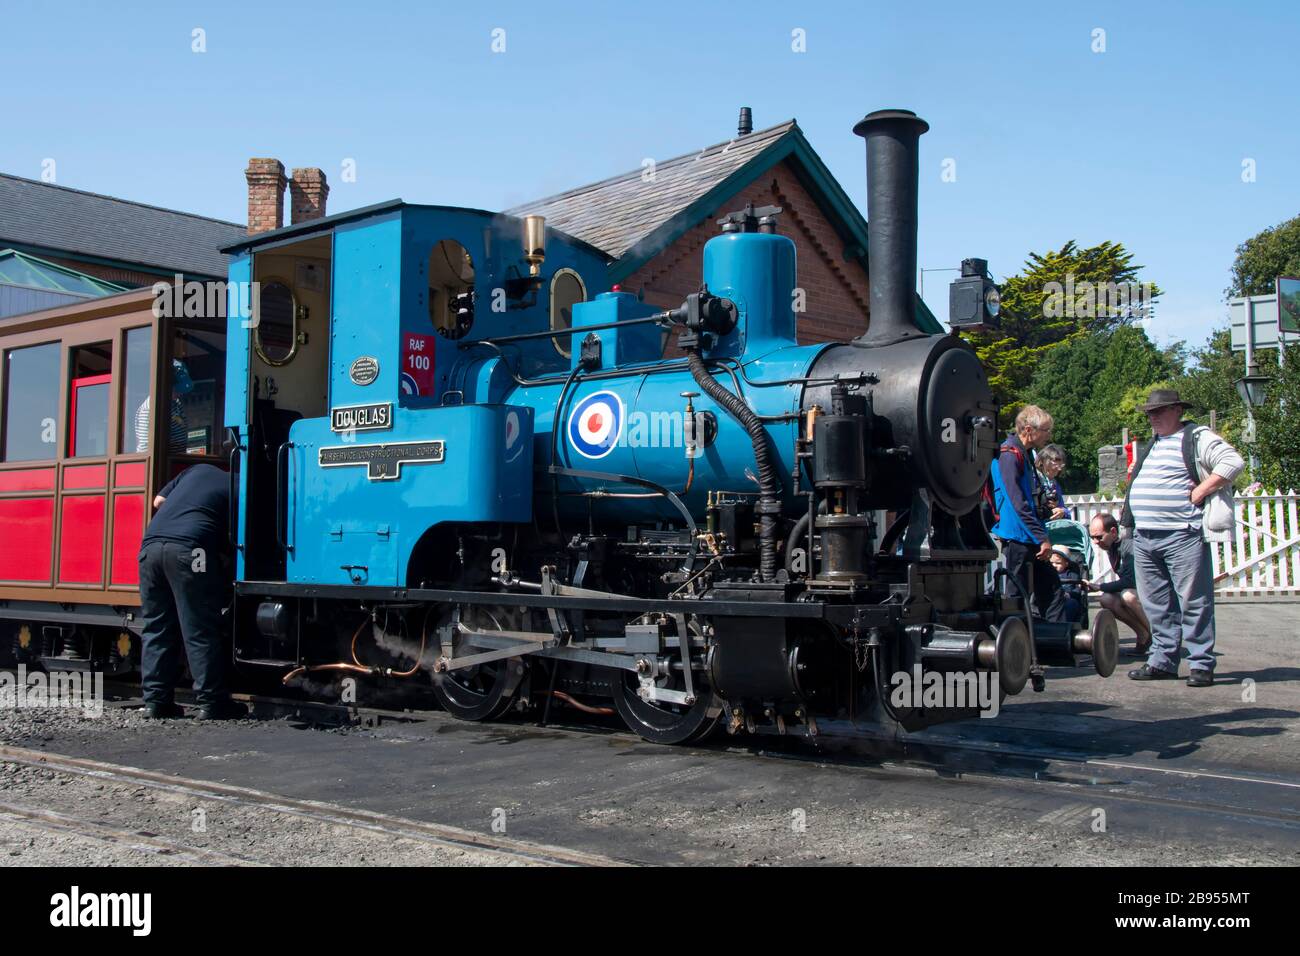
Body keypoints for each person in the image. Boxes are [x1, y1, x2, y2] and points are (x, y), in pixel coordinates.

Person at [1122, 389, 1244, 687]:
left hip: (1182, 534)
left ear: (1177, 410)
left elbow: (1233, 462)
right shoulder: (1153, 444)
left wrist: (1201, 490)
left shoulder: (1196, 437)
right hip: (1146, 536)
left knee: (1194, 601)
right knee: (1156, 604)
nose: (1153, 417)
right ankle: (1162, 661)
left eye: (1160, 411)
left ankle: (1201, 663)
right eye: (1150, 413)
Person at [138, 450, 246, 720]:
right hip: (191, 552)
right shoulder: (240, 485)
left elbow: (158, 501)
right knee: (198, 626)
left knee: (156, 627)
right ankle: (212, 703)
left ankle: (155, 702)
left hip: (150, 549)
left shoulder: (195, 470)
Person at [989, 405, 1071, 621]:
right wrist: (1042, 537)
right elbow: (1017, 502)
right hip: (1019, 537)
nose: (1049, 435)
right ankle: (1016, 648)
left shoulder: (1024, 454)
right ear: (1027, 430)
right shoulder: (1009, 454)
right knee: (1017, 597)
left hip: (1028, 535)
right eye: (1045, 430)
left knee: (1052, 591)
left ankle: (1056, 644)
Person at [1084, 512, 1151, 656]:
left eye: (1099, 537)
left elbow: (1130, 581)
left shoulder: (1128, 547)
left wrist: (1099, 587)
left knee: (1128, 596)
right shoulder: (1112, 547)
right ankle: (1143, 635)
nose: (1095, 542)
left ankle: (1158, 639)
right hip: (1140, 592)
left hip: (1152, 594)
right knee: (1106, 599)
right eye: (1092, 538)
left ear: (1113, 532)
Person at [1035, 444, 1072, 521]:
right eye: (1054, 465)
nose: (1058, 469)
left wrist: (1062, 512)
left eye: (1060, 466)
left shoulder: (1055, 485)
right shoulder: (1033, 481)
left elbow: (1065, 511)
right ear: (1042, 462)